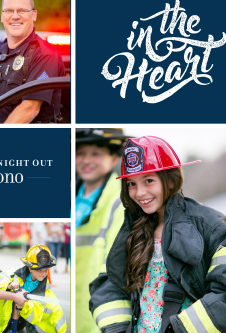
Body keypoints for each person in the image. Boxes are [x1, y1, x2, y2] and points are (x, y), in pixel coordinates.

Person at [89, 136, 226, 333]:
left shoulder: (205, 222)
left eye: (148, 181)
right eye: (131, 184)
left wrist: (180, 328)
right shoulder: (133, 229)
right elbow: (110, 281)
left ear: (171, 181)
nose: (140, 193)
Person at [75, 128, 126, 333]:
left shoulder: (120, 201)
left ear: (114, 159)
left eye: (95, 153)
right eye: (80, 153)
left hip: (96, 311)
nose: (86, 160)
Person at [0, 244, 67, 333]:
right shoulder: (13, 275)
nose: (43, 273)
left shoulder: (46, 293)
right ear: (30, 268)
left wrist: (24, 305)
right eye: (39, 270)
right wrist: (9, 285)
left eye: (46, 270)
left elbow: (50, 315)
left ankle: (26, 325)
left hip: (21, 321)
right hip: (3, 323)